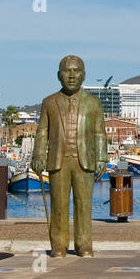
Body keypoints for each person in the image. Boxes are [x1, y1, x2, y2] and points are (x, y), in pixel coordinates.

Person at [31, 55, 107, 257]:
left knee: (84, 204)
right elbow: (42, 132)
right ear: (58, 75)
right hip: (58, 160)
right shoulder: (49, 102)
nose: (71, 75)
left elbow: (100, 133)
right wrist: (38, 155)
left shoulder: (93, 103)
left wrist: (101, 158)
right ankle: (59, 244)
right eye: (67, 71)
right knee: (59, 204)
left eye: (76, 71)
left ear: (84, 76)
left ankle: (84, 244)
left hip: (85, 160)